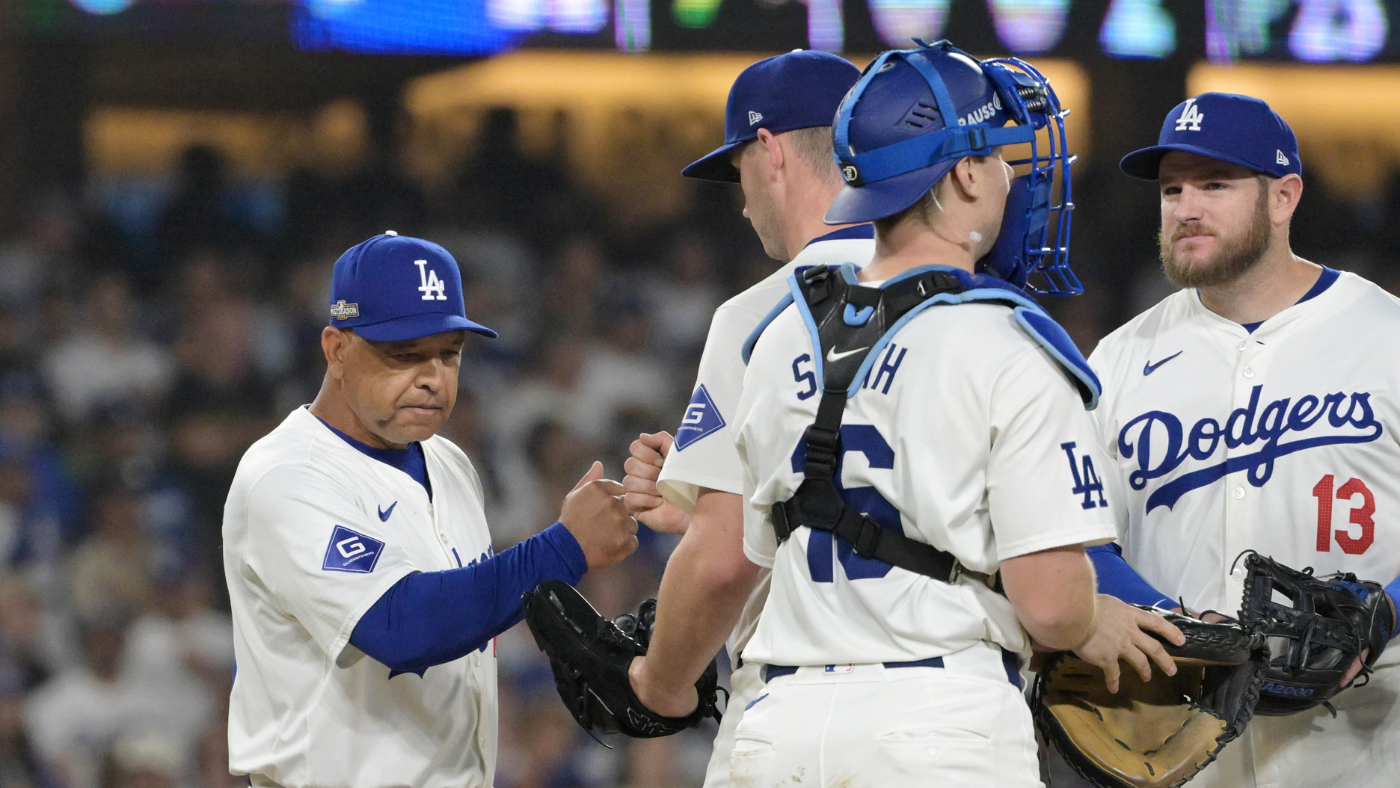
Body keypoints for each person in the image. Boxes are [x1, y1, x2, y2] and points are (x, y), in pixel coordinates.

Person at [631, 41, 1183, 787]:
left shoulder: (779, 329)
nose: (1009, 178)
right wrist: (1095, 621)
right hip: (937, 721)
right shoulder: (1007, 339)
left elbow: (749, 543)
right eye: (996, 159)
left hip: (777, 728)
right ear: (961, 173)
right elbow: (1051, 604)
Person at [222, 232, 638, 788]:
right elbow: (401, 626)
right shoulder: (286, 474)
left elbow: (467, 622)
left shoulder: (448, 462)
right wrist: (563, 547)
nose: (433, 379)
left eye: (449, 354)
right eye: (405, 355)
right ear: (336, 348)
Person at [1087, 92, 1400, 788]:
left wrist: (1385, 614)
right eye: (1172, 188)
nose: (1185, 207)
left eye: (1215, 184)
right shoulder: (1118, 358)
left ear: (1284, 196)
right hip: (1181, 733)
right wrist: (1166, 621)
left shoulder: (1388, 335)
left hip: (1368, 732)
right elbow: (1075, 534)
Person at [619, 49, 874, 788]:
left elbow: (725, 558)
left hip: (804, 711)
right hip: (959, 712)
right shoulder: (963, 297)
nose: (740, 201)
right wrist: (710, 494)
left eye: (737, 174)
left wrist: (658, 685)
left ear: (769, 153)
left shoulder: (759, 314)